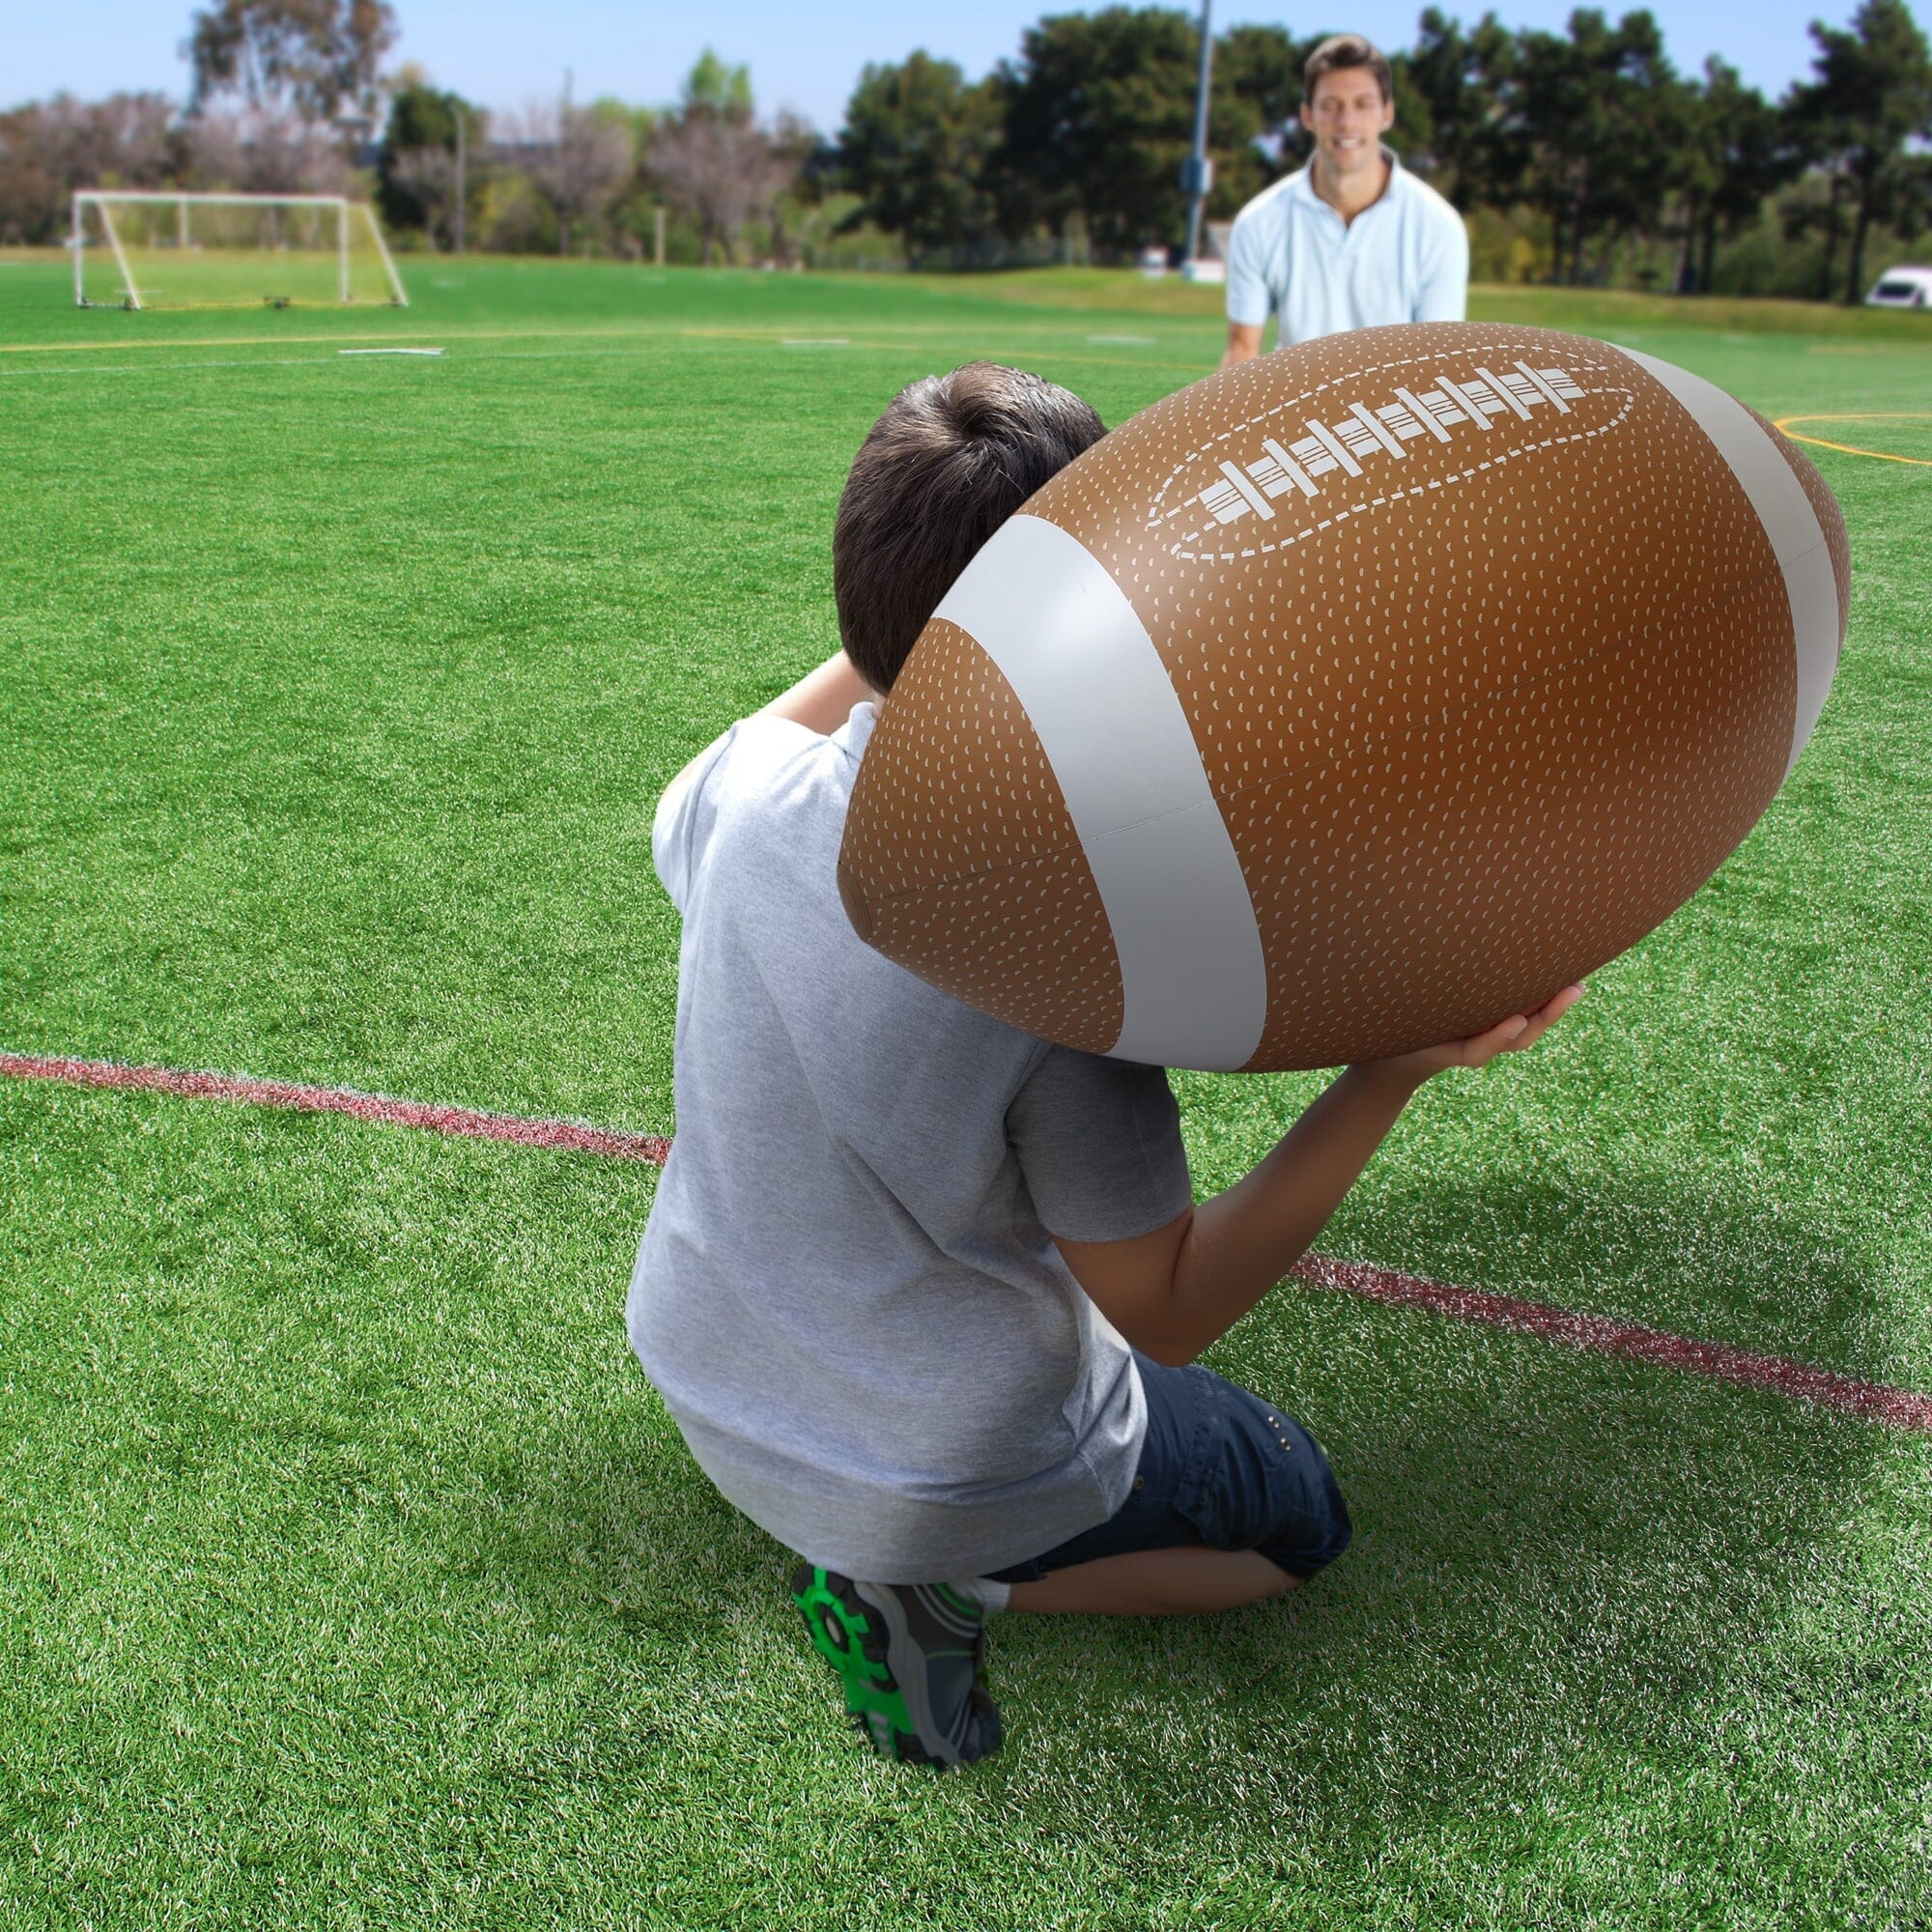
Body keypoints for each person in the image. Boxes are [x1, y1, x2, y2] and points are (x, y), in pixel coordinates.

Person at [628, 361, 1581, 1768]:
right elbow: (1171, 1306)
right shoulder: (1046, 961)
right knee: (1296, 1520)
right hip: (923, 1468)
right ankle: (951, 1586)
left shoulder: (738, 790)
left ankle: (890, 1545)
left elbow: (851, 693)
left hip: (707, 1370)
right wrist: (1387, 1072)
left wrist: (910, 618)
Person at [1222, 34, 1468, 366]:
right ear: (1308, 116)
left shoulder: (1438, 226)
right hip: (1298, 408)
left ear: (1387, 114)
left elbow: (1438, 363)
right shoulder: (1259, 222)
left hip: (1395, 411)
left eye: (1362, 104)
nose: (1346, 122)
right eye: (1330, 105)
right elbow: (1242, 349)